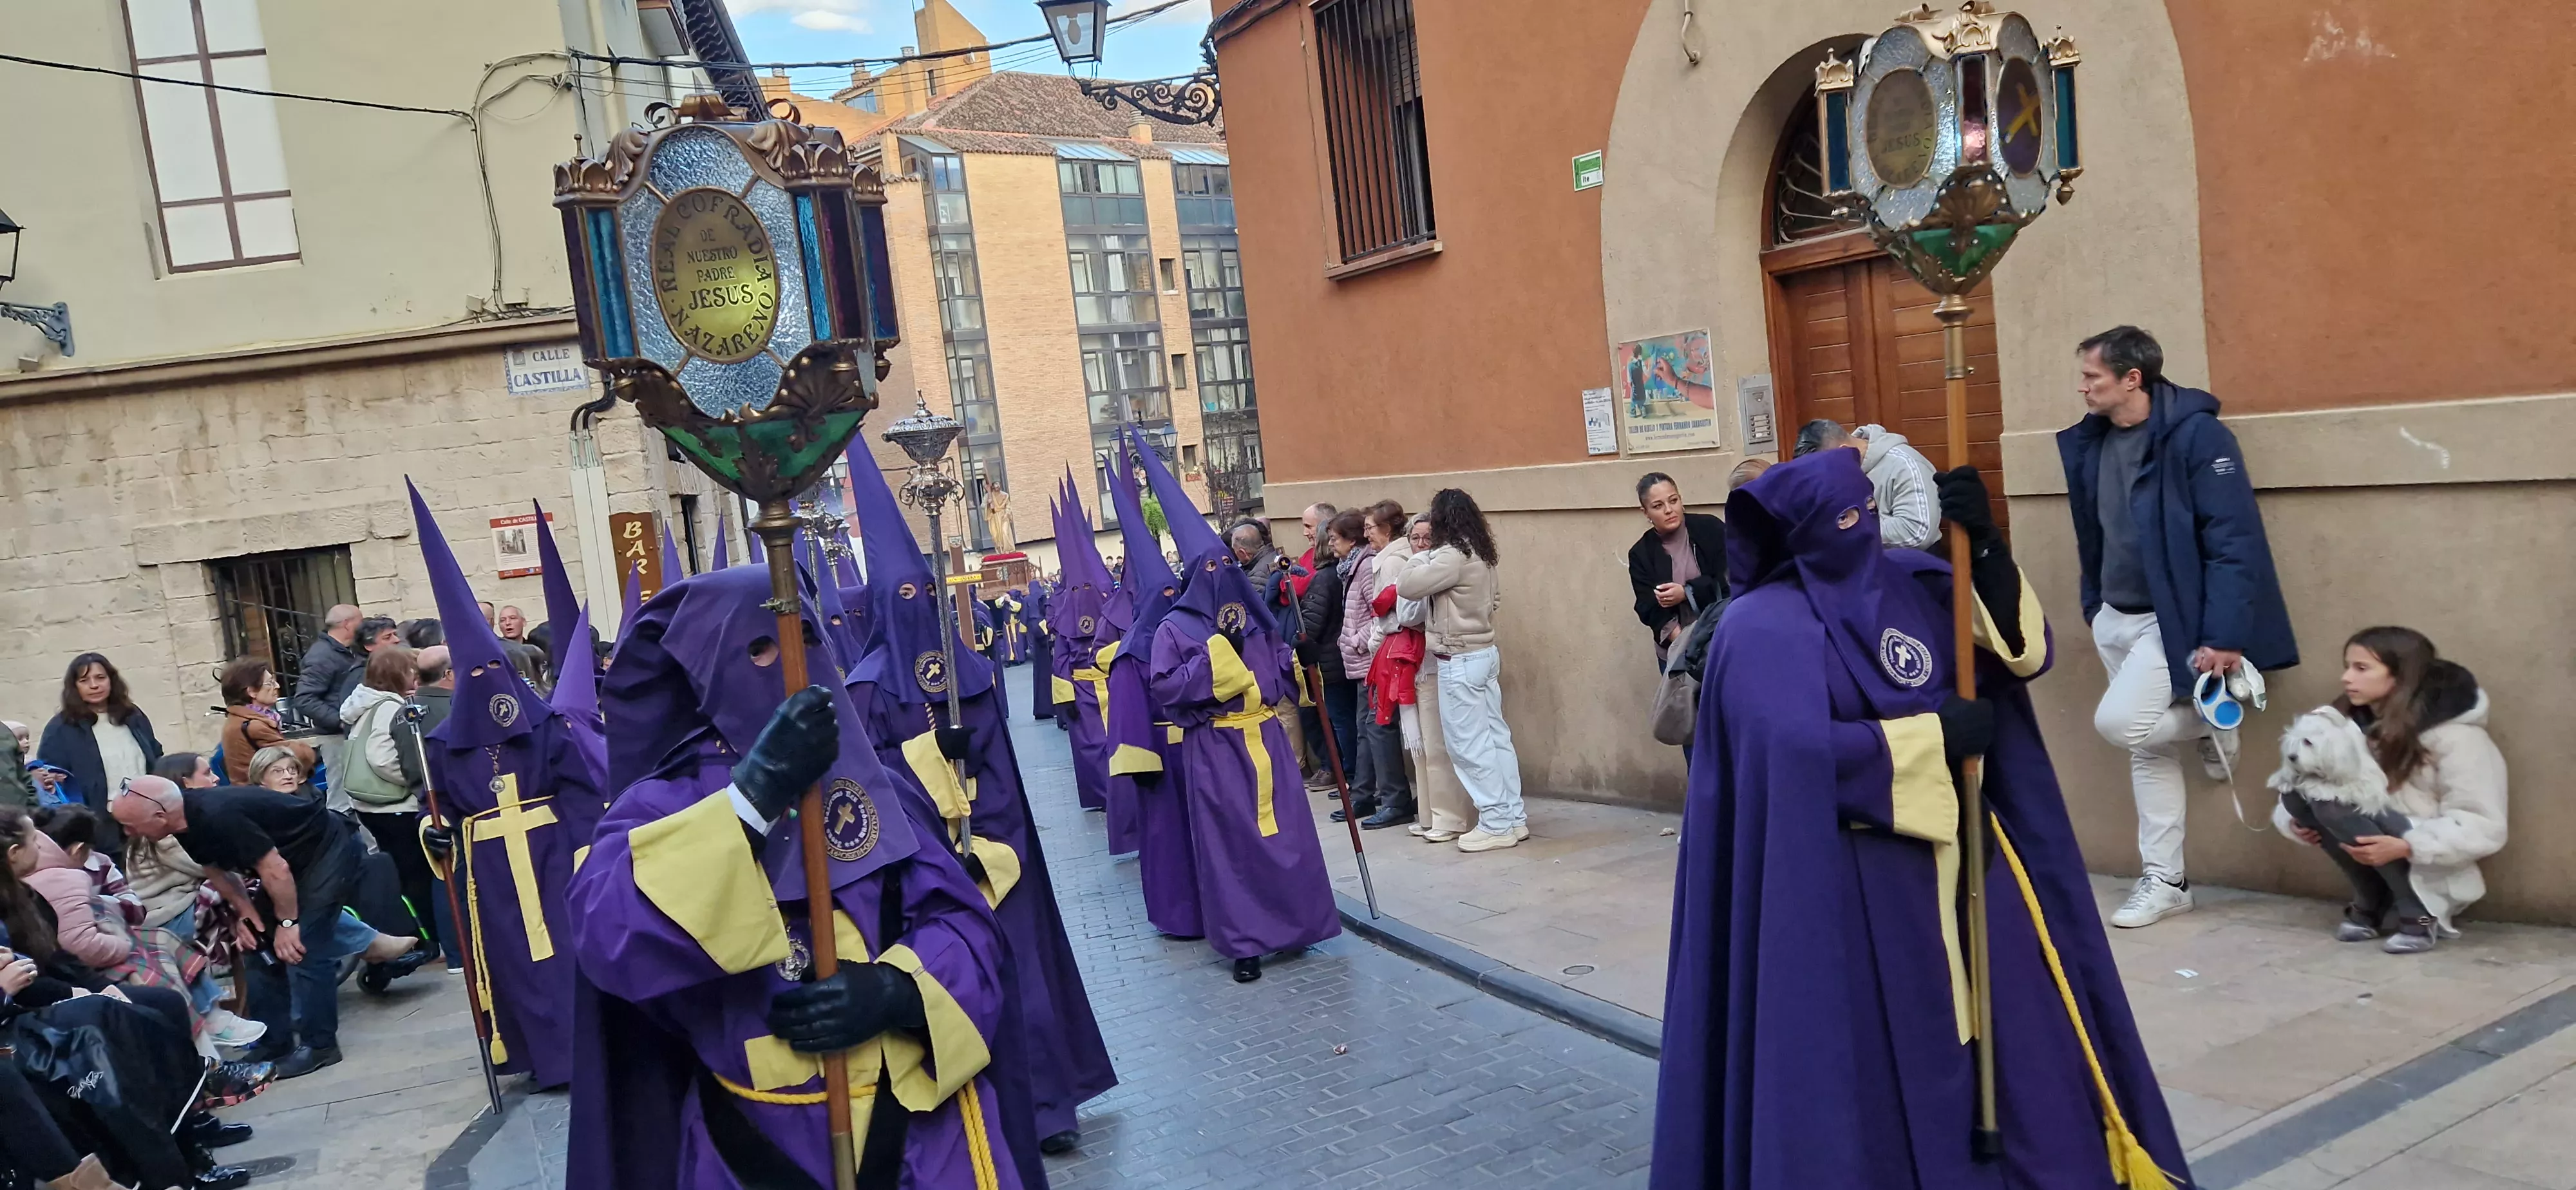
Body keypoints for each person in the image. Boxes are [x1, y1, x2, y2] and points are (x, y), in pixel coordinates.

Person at [1652, 451, 2190, 1189]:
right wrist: (1932, 739)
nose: (1863, 528)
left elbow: (2016, 655)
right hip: (1845, 882)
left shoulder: (1909, 581)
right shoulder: (1758, 627)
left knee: (2023, 1046)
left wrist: (1987, 546)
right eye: (1845, 519)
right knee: (1863, 1065)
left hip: (1970, 861)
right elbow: (1787, 753)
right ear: (1802, 532)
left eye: (1867, 510)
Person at [564, 569, 1032, 1190]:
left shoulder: (881, 790)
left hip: (922, 1134)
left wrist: (900, 990)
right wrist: (751, 801)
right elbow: (607, 932)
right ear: (708, 668)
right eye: (760, 647)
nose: (791, 660)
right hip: (752, 1145)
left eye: (805, 635)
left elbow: (965, 926)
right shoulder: (657, 808)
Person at [847, 458, 1117, 1156]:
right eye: (901, 595)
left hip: (995, 851)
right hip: (924, 866)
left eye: (922, 593)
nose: (914, 604)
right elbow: (874, 786)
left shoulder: (969, 669)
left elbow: (1001, 772)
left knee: (1019, 973)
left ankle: (1048, 1107)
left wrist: (987, 832)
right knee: (952, 978)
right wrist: (933, 783)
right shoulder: (867, 689)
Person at [2059, 325, 2297, 929]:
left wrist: (2223, 636)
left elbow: (2232, 540)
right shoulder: (2093, 442)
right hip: (2115, 615)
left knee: (2124, 725)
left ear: (2132, 378)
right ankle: (2167, 880)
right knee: (2147, 751)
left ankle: (2218, 719)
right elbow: (2096, 531)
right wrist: (2095, 606)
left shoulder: (2197, 435)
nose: (2082, 387)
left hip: (2175, 621)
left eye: (2093, 377)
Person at [406, 486, 607, 1092]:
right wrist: (436, 835)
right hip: (487, 866)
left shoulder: (545, 725)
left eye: (495, 669)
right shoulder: (441, 743)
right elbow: (431, 807)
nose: (487, 685)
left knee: (568, 952)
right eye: (474, 676)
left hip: (553, 854)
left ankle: (585, 1054)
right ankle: (537, 1056)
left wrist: (582, 851)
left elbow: (579, 789)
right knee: (513, 959)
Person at [1138, 437, 1340, 983]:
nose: (1222, 574)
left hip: (1267, 741)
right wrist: (1216, 662)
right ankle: (1245, 942)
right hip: (1217, 747)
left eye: (1228, 565)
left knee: (1287, 838)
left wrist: (1286, 653)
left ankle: (1299, 926)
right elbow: (1165, 688)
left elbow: (1276, 677)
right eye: (1212, 567)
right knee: (1233, 848)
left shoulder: (1253, 618)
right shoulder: (1175, 629)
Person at [0, 806, 261, 1190]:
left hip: (45, 994)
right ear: (13, 854)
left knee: (160, 1004)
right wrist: (83, 992)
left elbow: (54, 959)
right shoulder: (35, 891)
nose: (44, 842)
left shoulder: (24, 891)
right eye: (34, 837)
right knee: (133, 1024)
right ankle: (189, 1132)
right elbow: (34, 976)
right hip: (27, 1011)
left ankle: (194, 1119)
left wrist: (92, 988)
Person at [109, 775, 426, 1081]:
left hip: (326, 850)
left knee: (304, 946)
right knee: (256, 946)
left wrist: (289, 923)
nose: (126, 833)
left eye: (129, 825)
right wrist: (248, 916)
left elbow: (275, 868)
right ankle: (274, 1041)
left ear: (159, 815)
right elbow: (216, 870)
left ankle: (320, 1046)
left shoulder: (218, 815)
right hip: (286, 864)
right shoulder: (181, 824)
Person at [2271, 628, 2505, 954]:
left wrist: (2407, 846)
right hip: (2372, 855)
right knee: (2299, 795)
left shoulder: (2459, 739)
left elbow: (2484, 824)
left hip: (2428, 870)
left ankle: (2419, 914)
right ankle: (2372, 898)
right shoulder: (2346, 730)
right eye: (2347, 666)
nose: (2346, 678)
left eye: (2361, 668)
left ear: (2401, 677)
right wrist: (2298, 822)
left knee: (2334, 804)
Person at [1397, 490, 1528, 852]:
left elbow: (1407, 586)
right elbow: (1495, 601)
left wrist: (1418, 555)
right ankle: (1512, 818)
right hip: (1484, 652)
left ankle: (1496, 822)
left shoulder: (1451, 555)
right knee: (1496, 739)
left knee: (1469, 746)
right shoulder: (1482, 553)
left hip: (1459, 659)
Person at [334, 647, 442, 986]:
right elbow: (381, 756)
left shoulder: (364, 704)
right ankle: (426, 939)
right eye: (409, 670)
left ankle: (413, 935)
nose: (415, 676)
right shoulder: (390, 707)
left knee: (402, 872)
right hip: (395, 805)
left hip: (372, 806)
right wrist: (413, 781)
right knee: (416, 876)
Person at [1336, 502, 1414, 828]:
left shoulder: (1386, 562)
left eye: (1371, 528)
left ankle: (1393, 798)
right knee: (1371, 727)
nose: (1368, 534)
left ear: (1387, 528)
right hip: (1373, 654)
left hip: (1382, 653)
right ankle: (1373, 794)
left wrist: (1362, 641)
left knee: (1380, 727)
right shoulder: (1373, 561)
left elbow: (1383, 611)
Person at [37, 655, 162, 853]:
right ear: (74, 686)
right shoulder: (61, 727)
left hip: (145, 819)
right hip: (100, 827)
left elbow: (155, 757)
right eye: (84, 680)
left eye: (100, 678)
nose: (94, 685)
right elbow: (50, 779)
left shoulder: (132, 716)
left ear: (112, 680)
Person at [1627, 471, 1728, 666]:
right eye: (1658, 506)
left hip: (1721, 640)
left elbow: (1729, 580)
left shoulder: (1710, 529)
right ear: (1645, 512)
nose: (1669, 510)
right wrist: (1684, 644)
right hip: (1676, 650)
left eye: (1673, 501)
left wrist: (1687, 592)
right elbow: (1647, 607)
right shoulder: (1641, 553)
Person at [1792, 419, 1942, 550]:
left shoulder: (1905, 465)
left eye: (1824, 470)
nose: (1823, 478)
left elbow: (1917, 532)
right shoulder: (1835, 468)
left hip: (1912, 571)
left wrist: (1846, 529)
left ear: (1844, 453)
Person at [1297, 512, 1354, 799]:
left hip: (1332, 662)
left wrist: (1300, 639)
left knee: (1341, 721)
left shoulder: (1325, 579)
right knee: (1344, 720)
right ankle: (1351, 776)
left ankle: (1349, 776)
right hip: (1339, 658)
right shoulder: (1337, 575)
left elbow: (1312, 625)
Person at [216, 657, 314, 788]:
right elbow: (298, 757)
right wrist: (303, 748)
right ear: (252, 692)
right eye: (270, 683)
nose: (277, 686)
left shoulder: (241, 719)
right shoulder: (254, 725)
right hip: (264, 797)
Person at [291, 605, 366, 733]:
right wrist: (340, 721)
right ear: (347, 624)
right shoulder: (321, 656)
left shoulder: (351, 649)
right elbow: (304, 699)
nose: (363, 627)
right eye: (361, 622)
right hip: (337, 737)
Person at [242, 747, 306, 795]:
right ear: (261, 778)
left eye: (292, 769)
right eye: (278, 771)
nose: (288, 776)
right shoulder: (252, 809)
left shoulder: (312, 799)